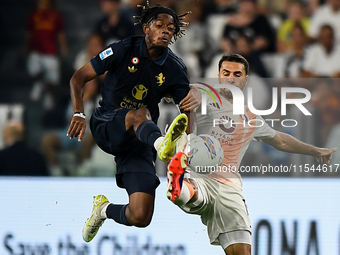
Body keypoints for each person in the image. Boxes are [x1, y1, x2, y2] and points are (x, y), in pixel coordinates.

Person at [165, 54, 337, 255]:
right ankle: (179, 184)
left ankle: (179, 186)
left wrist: (316, 150)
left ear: (246, 79)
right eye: (226, 73)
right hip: (200, 174)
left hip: (229, 188)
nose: (231, 78)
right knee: (194, 191)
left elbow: (280, 140)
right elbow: (171, 90)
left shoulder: (250, 116)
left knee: (243, 252)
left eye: (237, 74)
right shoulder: (202, 94)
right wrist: (188, 90)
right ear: (219, 75)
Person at [67, 2, 199, 242]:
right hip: (107, 123)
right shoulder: (123, 49)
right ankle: (162, 144)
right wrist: (78, 113)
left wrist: (184, 159)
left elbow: (187, 112)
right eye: (159, 25)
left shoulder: (176, 69)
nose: (165, 30)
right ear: (146, 28)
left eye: (170, 28)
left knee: (141, 215)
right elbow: (78, 78)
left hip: (139, 141)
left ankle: (102, 210)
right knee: (139, 112)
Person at [25, 0, 67, 110]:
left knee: (52, 78)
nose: (41, 4)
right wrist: (25, 47)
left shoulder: (55, 16)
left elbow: (60, 33)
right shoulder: (35, 16)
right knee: (34, 69)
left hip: (50, 52)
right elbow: (29, 33)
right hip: (36, 51)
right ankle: (39, 83)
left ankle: (48, 94)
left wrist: (63, 48)